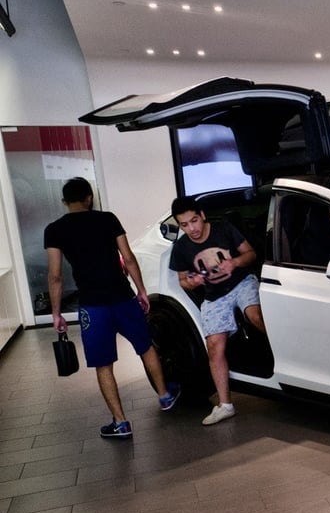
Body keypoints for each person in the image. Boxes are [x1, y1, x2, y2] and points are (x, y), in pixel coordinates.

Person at [44, 177, 179, 439]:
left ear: (64, 202)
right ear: (89, 198)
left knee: (103, 365)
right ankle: (164, 396)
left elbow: (55, 275)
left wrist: (56, 312)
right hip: (123, 297)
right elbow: (128, 258)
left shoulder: (54, 230)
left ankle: (120, 422)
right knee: (146, 347)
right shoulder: (108, 219)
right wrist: (141, 289)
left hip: (92, 306)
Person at [168, 197, 265, 425]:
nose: (191, 229)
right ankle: (225, 405)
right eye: (184, 225)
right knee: (213, 344)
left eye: (194, 221)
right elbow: (182, 279)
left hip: (242, 282)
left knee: (255, 315)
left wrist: (235, 263)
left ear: (202, 215)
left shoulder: (223, 228)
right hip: (214, 294)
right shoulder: (181, 247)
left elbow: (251, 254)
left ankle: (288, 363)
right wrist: (191, 282)